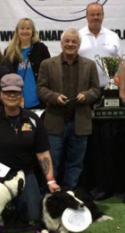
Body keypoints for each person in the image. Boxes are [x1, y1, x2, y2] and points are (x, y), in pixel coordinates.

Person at [0, 74, 60, 225]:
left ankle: (13, 206)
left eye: (16, 92)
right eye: (8, 92)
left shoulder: (33, 119)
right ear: (1, 94)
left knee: (33, 216)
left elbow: (43, 153)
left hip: (23, 173)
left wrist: (50, 180)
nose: (12, 96)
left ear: (21, 94)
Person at [37, 29, 100, 187]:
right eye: (67, 41)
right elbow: (41, 89)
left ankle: (69, 195)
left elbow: (96, 89)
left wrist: (86, 96)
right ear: (61, 43)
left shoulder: (90, 65)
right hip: (55, 123)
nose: (70, 44)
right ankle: (51, 198)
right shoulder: (47, 64)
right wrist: (54, 97)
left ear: (79, 45)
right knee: (52, 164)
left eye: (74, 42)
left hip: (79, 123)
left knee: (75, 165)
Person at [78, 2, 125, 105]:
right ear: (86, 16)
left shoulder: (113, 36)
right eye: (92, 14)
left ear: (103, 16)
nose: (95, 17)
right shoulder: (78, 36)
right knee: (86, 120)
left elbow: (122, 65)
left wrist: (122, 91)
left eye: (98, 14)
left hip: (109, 90)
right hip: (84, 91)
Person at [4, 18, 50, 109]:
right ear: (17, 31)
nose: (25, 31)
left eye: (28, 28)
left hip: (38, 101)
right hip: (16, 101)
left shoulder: (41, 48)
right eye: (22, 28)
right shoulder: (9, 51)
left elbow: (49, 73)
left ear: (33, 31)